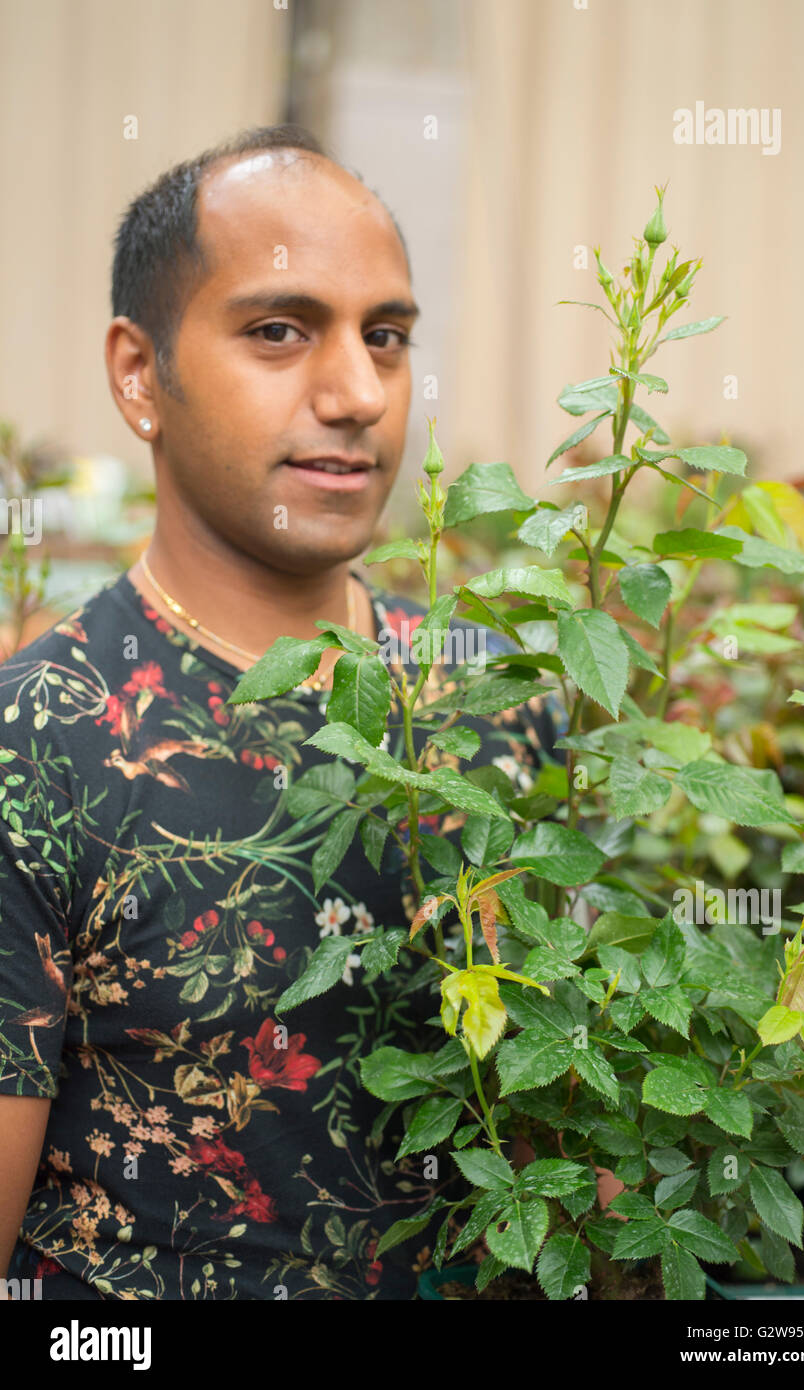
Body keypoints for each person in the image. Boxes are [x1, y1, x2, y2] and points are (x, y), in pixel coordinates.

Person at [0, 124, 566, 1300]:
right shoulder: (38, 742)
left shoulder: (494, 702)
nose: (357, 393)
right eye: (278, 330)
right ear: (138, 373)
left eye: (388, 337)